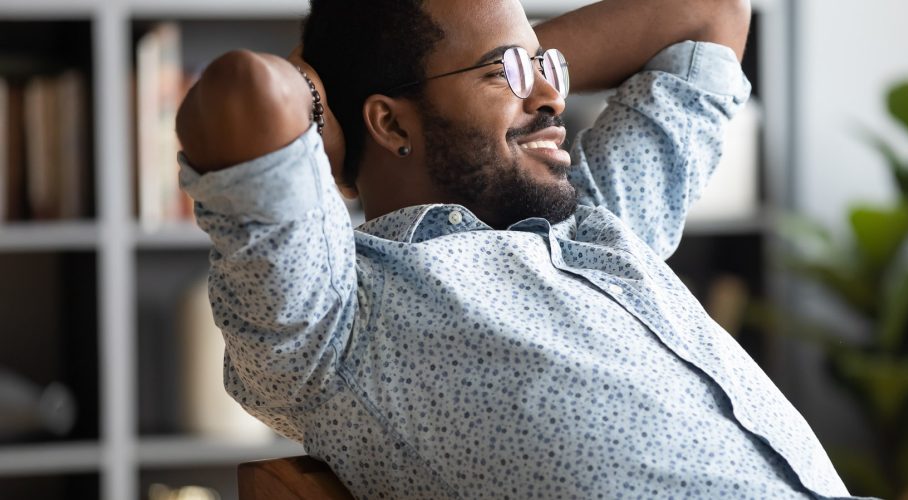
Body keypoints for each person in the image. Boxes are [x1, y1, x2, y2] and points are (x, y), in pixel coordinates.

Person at [175, 0, 859, 497]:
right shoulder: (338, 321)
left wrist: (512, 67)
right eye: (503, 71)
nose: (553, 99)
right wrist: (340, 93)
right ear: (387, 120)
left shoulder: (596, 220)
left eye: (549, 69)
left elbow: (709, 15)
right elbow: (246, 94)